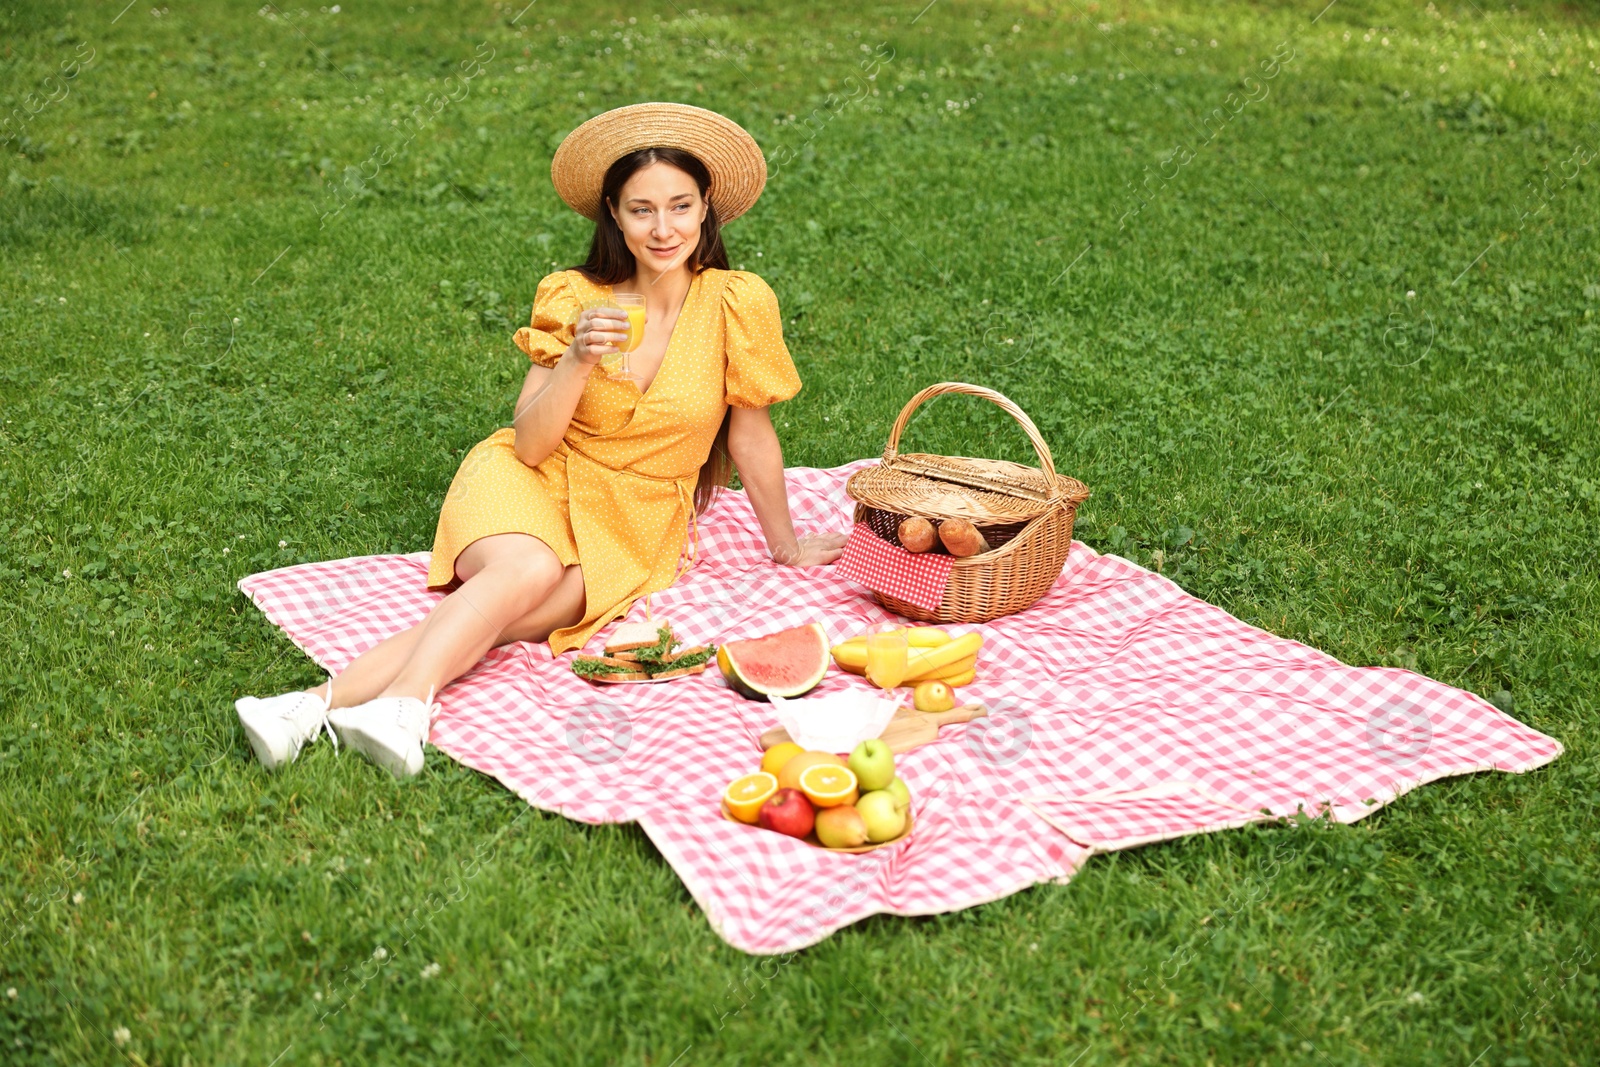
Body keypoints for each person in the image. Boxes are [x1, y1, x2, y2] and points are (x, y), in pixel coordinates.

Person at [235, 103, 847, 777]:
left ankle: (302, 707)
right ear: (614, 214)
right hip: (534, 479)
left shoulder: (738, 302)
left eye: (680, 205)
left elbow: (753, 438)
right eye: (642, 209)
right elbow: (529, 444)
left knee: (499, 615)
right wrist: (578, 359)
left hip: (634, 521)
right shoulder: (574, 295)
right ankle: (405, 706)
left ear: (707, 209)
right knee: (523, 573)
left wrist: (785, 548)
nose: (663, 227)